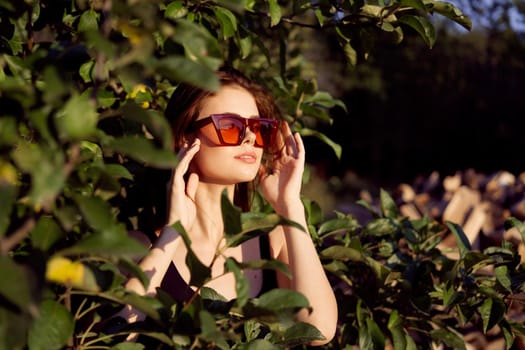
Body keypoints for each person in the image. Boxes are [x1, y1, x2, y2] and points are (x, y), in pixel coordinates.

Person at [119, 67, 338, 345]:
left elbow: (318, 330)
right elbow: (116, 333)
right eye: (230, 126)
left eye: (259, 129)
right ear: (184, 137)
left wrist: (290, 205)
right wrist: (172, 235)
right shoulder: (140, 248)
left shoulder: (273, 242)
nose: (249, 139)